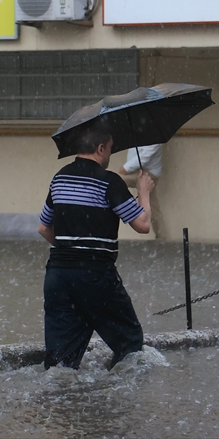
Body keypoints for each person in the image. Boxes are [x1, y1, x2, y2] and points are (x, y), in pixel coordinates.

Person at [38, 122, 154, 370]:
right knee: (129, 344)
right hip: (95, 276)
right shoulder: (108, 182)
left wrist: (70, 250)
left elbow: (44, 228)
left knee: (60, 361)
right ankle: (116, 402)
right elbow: (142, 224)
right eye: (110, 149)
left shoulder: (59, 179)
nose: (110, 156)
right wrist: (144, 191)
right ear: (100, 148)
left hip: (57, 276)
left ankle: (59, 406)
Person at [121, 143, 164, 237]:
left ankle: (162, 236)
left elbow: (145, 156)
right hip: (139, 170)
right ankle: (161, 235)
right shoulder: (140, 132)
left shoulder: (154, 137)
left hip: (149, 173)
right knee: (153, 205)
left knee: (117, 181)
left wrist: (126, 168)